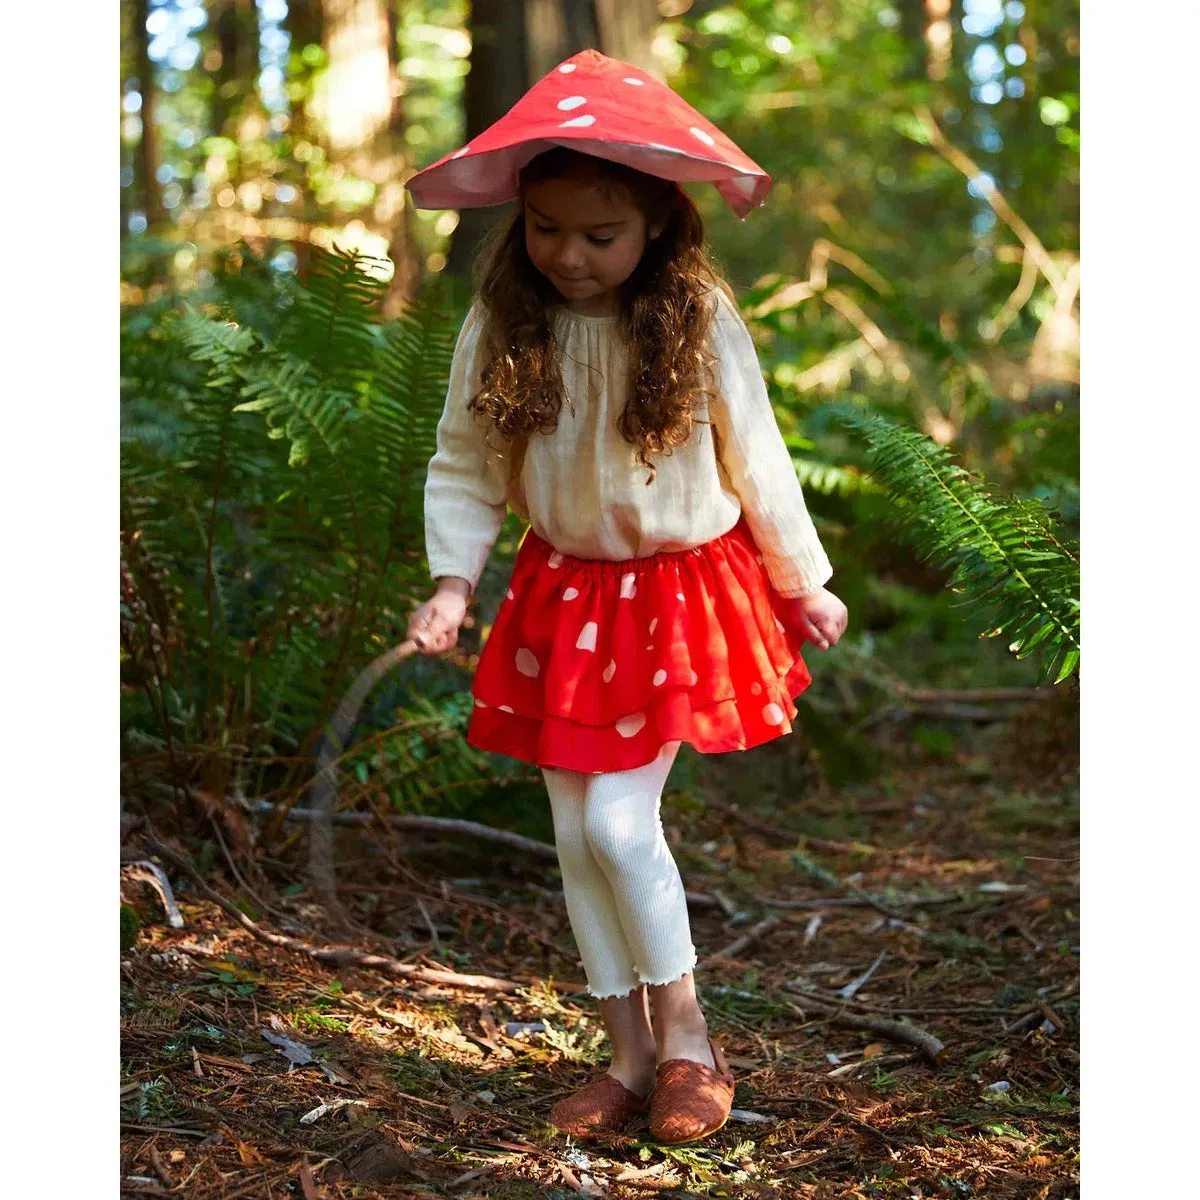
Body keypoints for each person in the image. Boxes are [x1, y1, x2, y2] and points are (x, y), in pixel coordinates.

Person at [404, 50, 848, 1144]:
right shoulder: (507, 319)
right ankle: (629, 1056)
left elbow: (759, 455)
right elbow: (466, 463)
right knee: (571, 833)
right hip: (563, 594)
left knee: (617, 817)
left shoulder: (694, 316)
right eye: (547, 228)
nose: (568, 254)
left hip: (677, 597)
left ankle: (692, 1043)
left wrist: (804, 581)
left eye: (599, 234)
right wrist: (453, 582)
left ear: (657, 221)